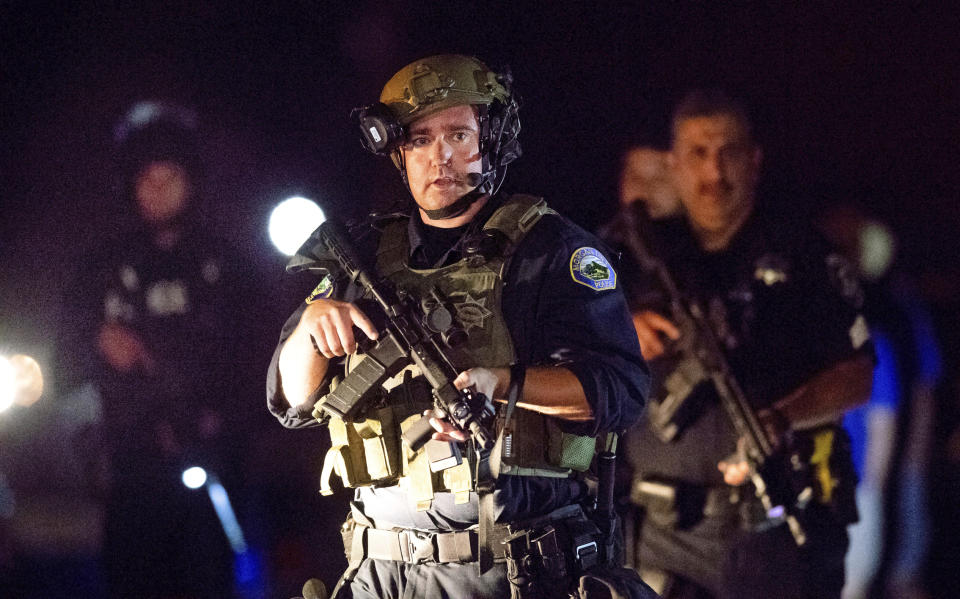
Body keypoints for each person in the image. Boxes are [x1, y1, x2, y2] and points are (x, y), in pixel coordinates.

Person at [266, 54, 652, 598]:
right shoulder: (363, 258)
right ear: (398, 151)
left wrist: (505, 385)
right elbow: (291, 402)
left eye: (457, 135)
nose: (438, 157)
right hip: (378, 569)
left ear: (490, 140)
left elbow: (622, 392)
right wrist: (311, 327)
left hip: (503, 569)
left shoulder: (549, 252)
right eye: (419, 139)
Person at [602, 90, 874, 599]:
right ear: (674, 164)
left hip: (775, 535)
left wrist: (783, 417)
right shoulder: (632, 256)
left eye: (728, 153)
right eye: (698, 155)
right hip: (661, 538)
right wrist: (617, 327)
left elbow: (857, 376)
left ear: (754, 160)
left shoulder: (804, 257)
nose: (714, 173)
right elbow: (556, 351)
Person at [58, 101, 257, 598]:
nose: (159, 189)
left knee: (213, 577)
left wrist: (223, 424)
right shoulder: (101, 271)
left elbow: (259, 357)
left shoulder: (226, 265)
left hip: (213, 464)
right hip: (130, 470)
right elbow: (62, 368)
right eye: (148, 178)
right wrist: (96, 343)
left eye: (170, 176)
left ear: (192, 180)